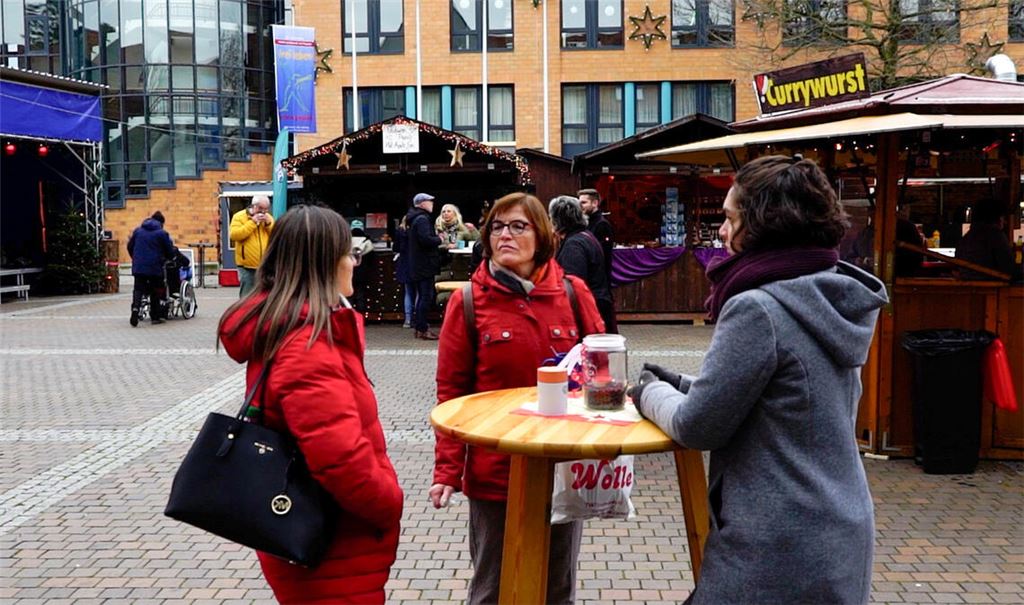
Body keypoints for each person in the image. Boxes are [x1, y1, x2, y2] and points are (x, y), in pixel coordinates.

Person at [628, 156, 887, 605]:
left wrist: (648, 392)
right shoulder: (828, 291)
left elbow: (699, 427)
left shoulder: (758, 308)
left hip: (775, 541)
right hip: (838, 529)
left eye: (730, 218)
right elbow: (779, 397)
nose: (722, 232)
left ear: (766, 224)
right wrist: (684, 384)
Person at [218, 205, 403, 605]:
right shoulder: (307, 344)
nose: (354, 262)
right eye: (349, 252)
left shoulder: (297, 327)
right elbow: (339, 458)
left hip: (321, 531)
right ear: (325, 262)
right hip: (331, 539)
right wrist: (389, 502)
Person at [430, 192, 605, 605]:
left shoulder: (573, 294)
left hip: (561, 467)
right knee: (492, 587)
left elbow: (602, 376)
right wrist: (446, 471)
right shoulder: (468, 301)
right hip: (495, 471)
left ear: (541, 235)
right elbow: (451, 392)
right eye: (496, 226)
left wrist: (604, 448)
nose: (504, 235)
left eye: (518, 226)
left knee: (557, 588)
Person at [549, 195, 617, 333]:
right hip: (598, 305)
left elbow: (573, 288)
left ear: (558, 220)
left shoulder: (574, 245)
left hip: (589, 312)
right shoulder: (584, 236)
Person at [127, 211, 176, 326]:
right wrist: (170, 258)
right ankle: (155, 316)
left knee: (138, 289)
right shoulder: (161, 233)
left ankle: (135, 309)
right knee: (156, 290)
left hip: (139, 267)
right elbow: (169, 250)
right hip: (155, 266)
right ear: (161, 223)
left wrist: (135, 258)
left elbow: (130, 246)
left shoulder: (138, 231)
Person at [405, 192, 443, 340]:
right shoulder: (422, 219)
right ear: (421, 203)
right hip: (424, 265)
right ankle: (422, 328)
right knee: (425, 296)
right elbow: (426, 240)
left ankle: (420, 327)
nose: (432, 204)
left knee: (422, 296)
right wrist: (439, 239)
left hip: (418, 264)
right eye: (429, 201)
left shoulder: (415, 218)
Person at [955, 197, 1015, 281]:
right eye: (1003, 217)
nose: (1005, 222)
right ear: (997, 218)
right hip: (993, 288)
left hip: (968, 287)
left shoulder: (967, 237)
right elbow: (1008, 268)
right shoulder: (995, 236)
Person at [229, 195, 275, 298]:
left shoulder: (269, 218)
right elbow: (235, 235)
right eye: (260, 208)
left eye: (266, 209)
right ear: (254, 206)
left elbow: (276, 235)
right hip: (246, 266)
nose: (263, 212)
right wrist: (253, 223)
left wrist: (268, 224)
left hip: (265, 265)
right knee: (247, 295)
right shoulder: (239, 217)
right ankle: (245, 313)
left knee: (265, 294)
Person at [578, 188, 614, 283]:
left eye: (583, 203)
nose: (580, 206)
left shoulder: (602, 225)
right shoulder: (585, 223)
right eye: (579, 203)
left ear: (595, 203)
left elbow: (602, 255)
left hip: (598, 279)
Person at [394, 216, 416, 328]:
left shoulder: (400, 231)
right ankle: (417, 317)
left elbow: (396, 248)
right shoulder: (417, 231)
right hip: (417, 262)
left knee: (408, 292)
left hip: (404, 263)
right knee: (420, 292)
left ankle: (408, 319)